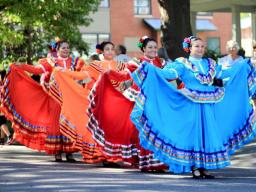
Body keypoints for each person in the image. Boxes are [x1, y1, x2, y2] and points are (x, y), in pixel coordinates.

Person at [130, 36, 256, 178]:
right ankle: (195, 166)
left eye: (202, 46)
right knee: (194, 135)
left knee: (206, 135)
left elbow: (224, 73)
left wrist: (242, 66)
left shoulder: (210, 63)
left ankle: (204, 166)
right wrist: (151, 69)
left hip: (208, 103)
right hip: (191, 104)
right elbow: (169, 74)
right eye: (197, 46)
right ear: (189, 48)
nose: (200, 49)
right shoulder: (182, 64)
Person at [1, 39, 85, 162]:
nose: (66, 50)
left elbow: (82, 75)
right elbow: (36, 70)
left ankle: (69, 152)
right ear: (57, 50)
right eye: (63, 48)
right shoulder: (51, 62)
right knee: (56, 123)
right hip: (54, 98)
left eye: (67, 47)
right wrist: (21, 66)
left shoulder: (76, 62)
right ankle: (57, 152)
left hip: (70, 97)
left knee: (69, 123)